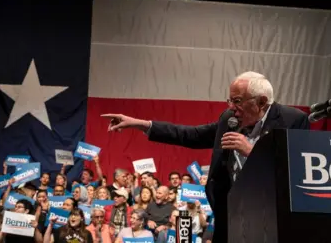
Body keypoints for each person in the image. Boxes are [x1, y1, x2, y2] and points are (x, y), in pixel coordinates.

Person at [101, 71, 310, 243]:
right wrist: (141, 124)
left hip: (270, 218)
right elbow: (190, 135)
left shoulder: (293, 121)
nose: (230, 108)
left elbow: (299, 175)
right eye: (229, 100)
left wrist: (253, 152)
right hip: (230, 216)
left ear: (262, 102)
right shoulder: (229, 118)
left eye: (237, 101)